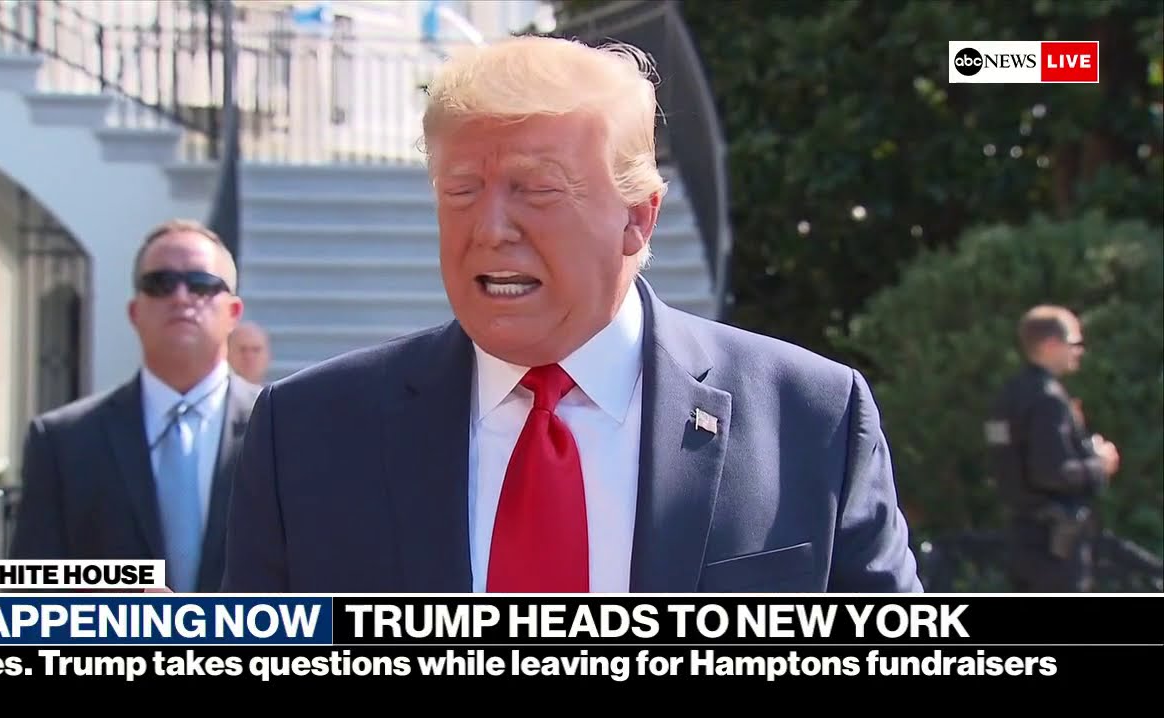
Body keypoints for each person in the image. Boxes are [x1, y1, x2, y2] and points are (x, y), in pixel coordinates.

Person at [222, 35, 922, 593]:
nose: (491, 228)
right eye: (461, 190)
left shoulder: (810, 418)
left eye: (537, 189)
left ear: (637, 220)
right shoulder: (310, 434)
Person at [10, 219, 263, 593]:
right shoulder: (63, 442)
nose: (180, 297)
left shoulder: (284, 431)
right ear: (134, 311)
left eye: (201, 284)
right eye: (160, 284)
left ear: (234, 312)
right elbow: (31, 597)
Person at [985, 305, 1119, 592]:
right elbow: (1052, 472)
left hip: (1022, 538)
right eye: (1074, 344)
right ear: (1050, 345)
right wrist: (1100, 464)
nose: (1079, 351)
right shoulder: (1048, 399)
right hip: (1054, 547)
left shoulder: (1010, 395)